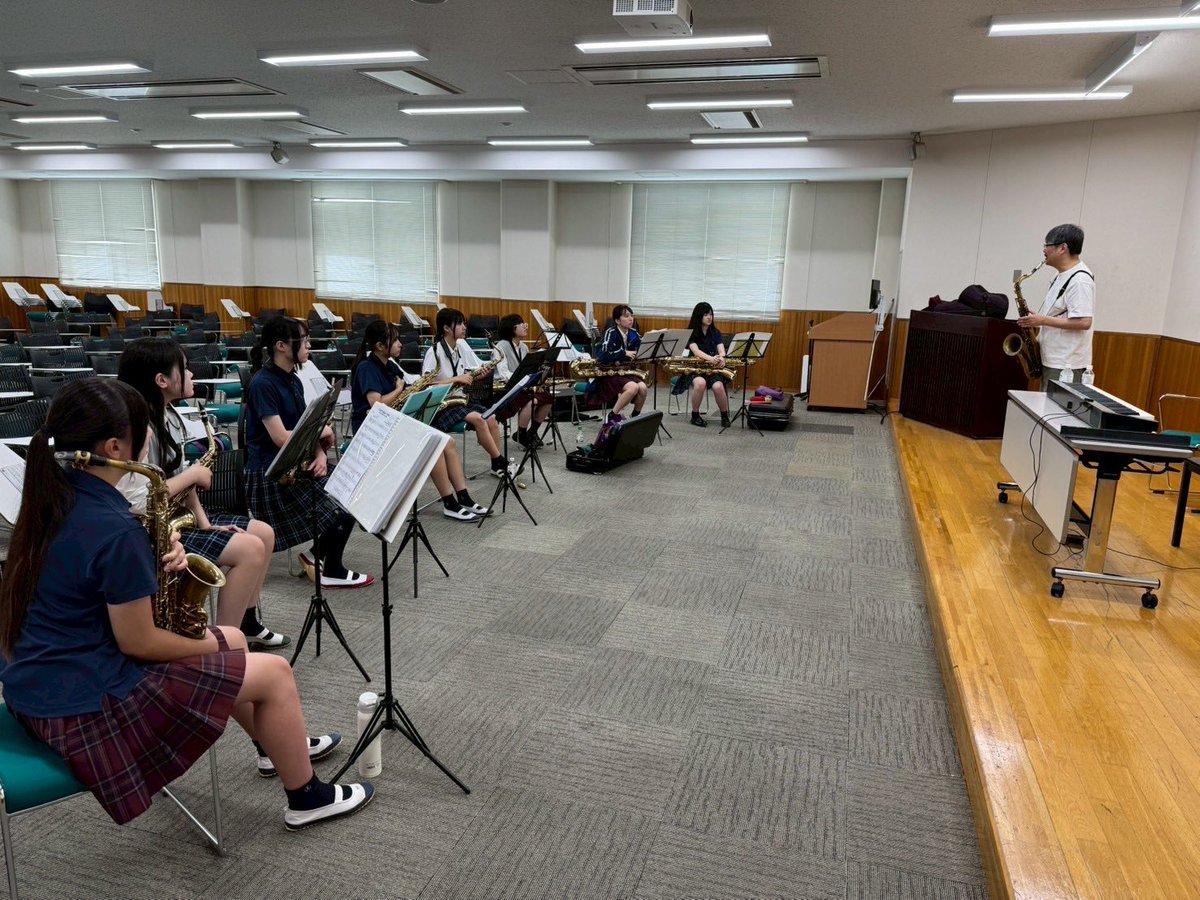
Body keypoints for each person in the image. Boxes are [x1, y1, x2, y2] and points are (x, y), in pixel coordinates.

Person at [0, 378, 372, 831]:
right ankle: (308, 796)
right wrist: (208, 645)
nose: (150, 439)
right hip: (84, 707)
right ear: (115, 446)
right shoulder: (113, 526)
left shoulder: (52, 499)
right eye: (143, 432)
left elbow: (90, 593)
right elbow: (138, 641)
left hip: (38, 685)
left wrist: (157, 561)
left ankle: (275, 744)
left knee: (233, 639)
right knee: (269, 668)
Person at [116, 338, 289, 649]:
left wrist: (206, 523)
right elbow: (137, 502)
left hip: (178, 518)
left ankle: (246, 623)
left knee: (264, 533)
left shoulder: (172, 416)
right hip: (150, 531)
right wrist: (193, 475)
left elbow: (185, 482)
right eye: (185, 369)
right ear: (162, 380)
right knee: (249, 550)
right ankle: (224, 646)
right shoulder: (137, 428)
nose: (193, 374)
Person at [245, 316, 373, 589]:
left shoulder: (293, 378)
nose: (308, 345)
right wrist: (320, 435)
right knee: (343, 498)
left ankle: (316, 556)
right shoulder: (263, 384)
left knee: (351, 482)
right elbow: (281, 438)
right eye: (302, 340)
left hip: (295, 463)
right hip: (272, 474)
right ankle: (332, 569)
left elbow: (307, 424)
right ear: (281, 346)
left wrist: (320, 455)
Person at [350, 320, 488, 521]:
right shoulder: (366, 368)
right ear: (380, 346)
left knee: (447, 442)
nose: (400, 344)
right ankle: (449, 503)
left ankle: (464, 497)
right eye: (395, 340)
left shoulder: (389, 365)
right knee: (432, 445)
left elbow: (406, 389)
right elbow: (377, 405)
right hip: (372, 430)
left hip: (393, 423)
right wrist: (399, 389)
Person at [421, 307, 515, 479]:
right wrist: (456, 379)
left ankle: (496, 466)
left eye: (463, 323)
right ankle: (500, 461)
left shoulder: (460, 349)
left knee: (491, 417)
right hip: (442, 404)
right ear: (446, 328)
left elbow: (466, 376)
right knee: (478, 419)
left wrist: (480, 375)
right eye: (459, 323)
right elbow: (426, 384)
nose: (464, 327)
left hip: (460, 400)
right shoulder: (434, 352)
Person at [1017, 223, 1095, 390]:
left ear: (1062, 248)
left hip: (1066, 364)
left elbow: (1084, 322)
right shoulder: (1059, 275)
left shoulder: (1080, 280)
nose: (1044, 250)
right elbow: (1060, 313)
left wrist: (1043, 320)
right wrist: (1037, 319)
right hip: (1051, 358)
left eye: (1047, 245)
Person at [494, 313, 553, 448]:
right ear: (513, 328)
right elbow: (503, 373)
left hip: (522, 386)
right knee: (532, 401)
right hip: (506, 388)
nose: (526, 326)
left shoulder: (523, 347)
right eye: (522, 324)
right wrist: (524, 381)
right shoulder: (500, 346)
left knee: (548, 398)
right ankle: (521, 433)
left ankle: (532, 432)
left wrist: (535, 381)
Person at [672, 301, 732, 428]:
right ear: (699, 316)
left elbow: (722, 350)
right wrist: (711, 358)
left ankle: (724, 416)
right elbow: (696, 351)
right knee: (700, 383)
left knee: (718, 387)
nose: (709, 317)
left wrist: (721, 358)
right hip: (695, 369)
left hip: (712, 368)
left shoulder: (715, 332)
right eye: (706, 315)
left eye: (711, 314)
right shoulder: (691, 333)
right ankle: (695, 416)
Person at [586, 304, 647, 417]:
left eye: (631, 316)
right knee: (633, 387)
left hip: (625, 372)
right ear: (618, 321)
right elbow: (603, 356)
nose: (631, 319)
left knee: (643, 388)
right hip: (610, 374)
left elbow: (644, 346)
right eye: (626, 316)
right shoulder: (611, 332)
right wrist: (623, 353)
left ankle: (634, 417)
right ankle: (613, 414)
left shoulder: (633, 332)